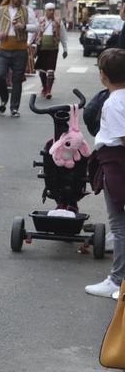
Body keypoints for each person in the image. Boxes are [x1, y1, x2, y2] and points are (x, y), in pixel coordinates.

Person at [85, 48, 125, 299]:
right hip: (115, 162)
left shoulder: (113, 103)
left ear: (103, 76)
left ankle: (117, 280)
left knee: (119, 225)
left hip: (116, 164)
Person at [0, 0, 37, 117]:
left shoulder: (28, 11)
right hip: (3, 49)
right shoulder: (0, 10)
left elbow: (36, 27)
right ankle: (4, 99)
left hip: (20, 50)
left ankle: (14, 108)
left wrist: (24, 27)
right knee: (0, 76)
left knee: (17, 80)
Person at [32, 3, 67, 99]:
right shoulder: (39, 20)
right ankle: (44, 87)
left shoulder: (58, 21)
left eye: (53, 10)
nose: (52, 12)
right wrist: (29, 43)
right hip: (41, 49)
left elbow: (63, 35)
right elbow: (34, 32)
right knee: (42, 71)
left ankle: (48, 91)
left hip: (53, 49)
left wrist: (65, 49)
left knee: (51, 71)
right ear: (45, 11)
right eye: (49, 10)